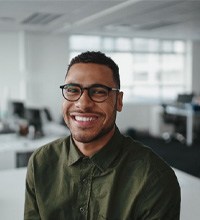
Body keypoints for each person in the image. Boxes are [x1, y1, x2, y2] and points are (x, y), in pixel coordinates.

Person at [24, 51, 180, 220]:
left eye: (98, 91)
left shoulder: (153, 178)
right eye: (72, 90)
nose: (83, 104)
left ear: (119, 101)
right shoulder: (41, 162)